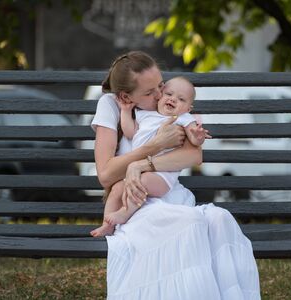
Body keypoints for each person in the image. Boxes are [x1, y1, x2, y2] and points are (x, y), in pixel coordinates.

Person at [92, 51, 260, 299]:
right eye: (150, 93)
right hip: (135, 200)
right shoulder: (112, 105)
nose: (161, 94)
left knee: (217, 219)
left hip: (167, 191)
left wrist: (143, 164)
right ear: (126, 96)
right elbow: (106, 174)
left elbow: (193, 157)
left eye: (160, 85)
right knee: (188, 224)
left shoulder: (173, 108)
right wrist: (153, 147)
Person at [94, 76, 209, 232]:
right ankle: (107, 224)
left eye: (181, 99)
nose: (173, 99)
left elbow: (194, 142)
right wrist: (126, 112)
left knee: (141, 183)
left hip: (161, 175)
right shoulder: (146, 114)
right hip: (138, 171)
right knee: (118, 188)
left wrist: (197, 136)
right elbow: (130, 132)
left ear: (188, 108)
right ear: (160, 95)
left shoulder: (183, 118)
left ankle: (124, 213)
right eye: (169, 94)